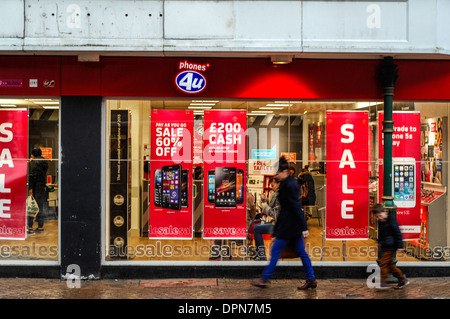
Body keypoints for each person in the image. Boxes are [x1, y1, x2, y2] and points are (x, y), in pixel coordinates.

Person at [251, 156, 317, 290]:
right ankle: (311, 279)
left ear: (285, 172)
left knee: (275, 251)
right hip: (292, 227)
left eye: (278, 173)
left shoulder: (290, 186)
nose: (276, 176)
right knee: (301, 252)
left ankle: (265, 279)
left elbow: (296, 207)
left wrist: (304, 228)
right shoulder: (288, 184)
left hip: (289, 228)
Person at [372, 203, 409, 289]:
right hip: (385, 245)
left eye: (380, 216)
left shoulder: (392, 220)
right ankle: (402, 279)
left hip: (391, 246)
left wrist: (400, 246)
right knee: (390, 265)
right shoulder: (380, 222)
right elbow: (381, 234)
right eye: (377, 217)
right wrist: (379, 243)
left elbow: (398, 233)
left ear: (385, 211)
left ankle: (383, 282)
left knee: (383, 263)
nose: (380, 218)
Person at [252, 177, 280, 260]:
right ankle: (259, 254)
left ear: (279, 184)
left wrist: (265, 207)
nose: (271, 187)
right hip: (278, 223)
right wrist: (264, 200)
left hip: (280, 226)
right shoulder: (277, 194)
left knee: (257, 228)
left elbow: (276, 214)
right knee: (256, 227)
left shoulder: (279, 196)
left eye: (272, 185)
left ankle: (262, 256)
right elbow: (272, 207)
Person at [27, 147, 49, 233]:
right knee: (40, 206)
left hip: (35, 187)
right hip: (42, 186)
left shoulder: (34, 162)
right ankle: (40, 226)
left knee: (31, 206)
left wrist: (30, 188)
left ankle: (30, 226)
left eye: (31, 154)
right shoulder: (44, 161)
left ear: (34, 154)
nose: (30, 156)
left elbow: (32, 176)